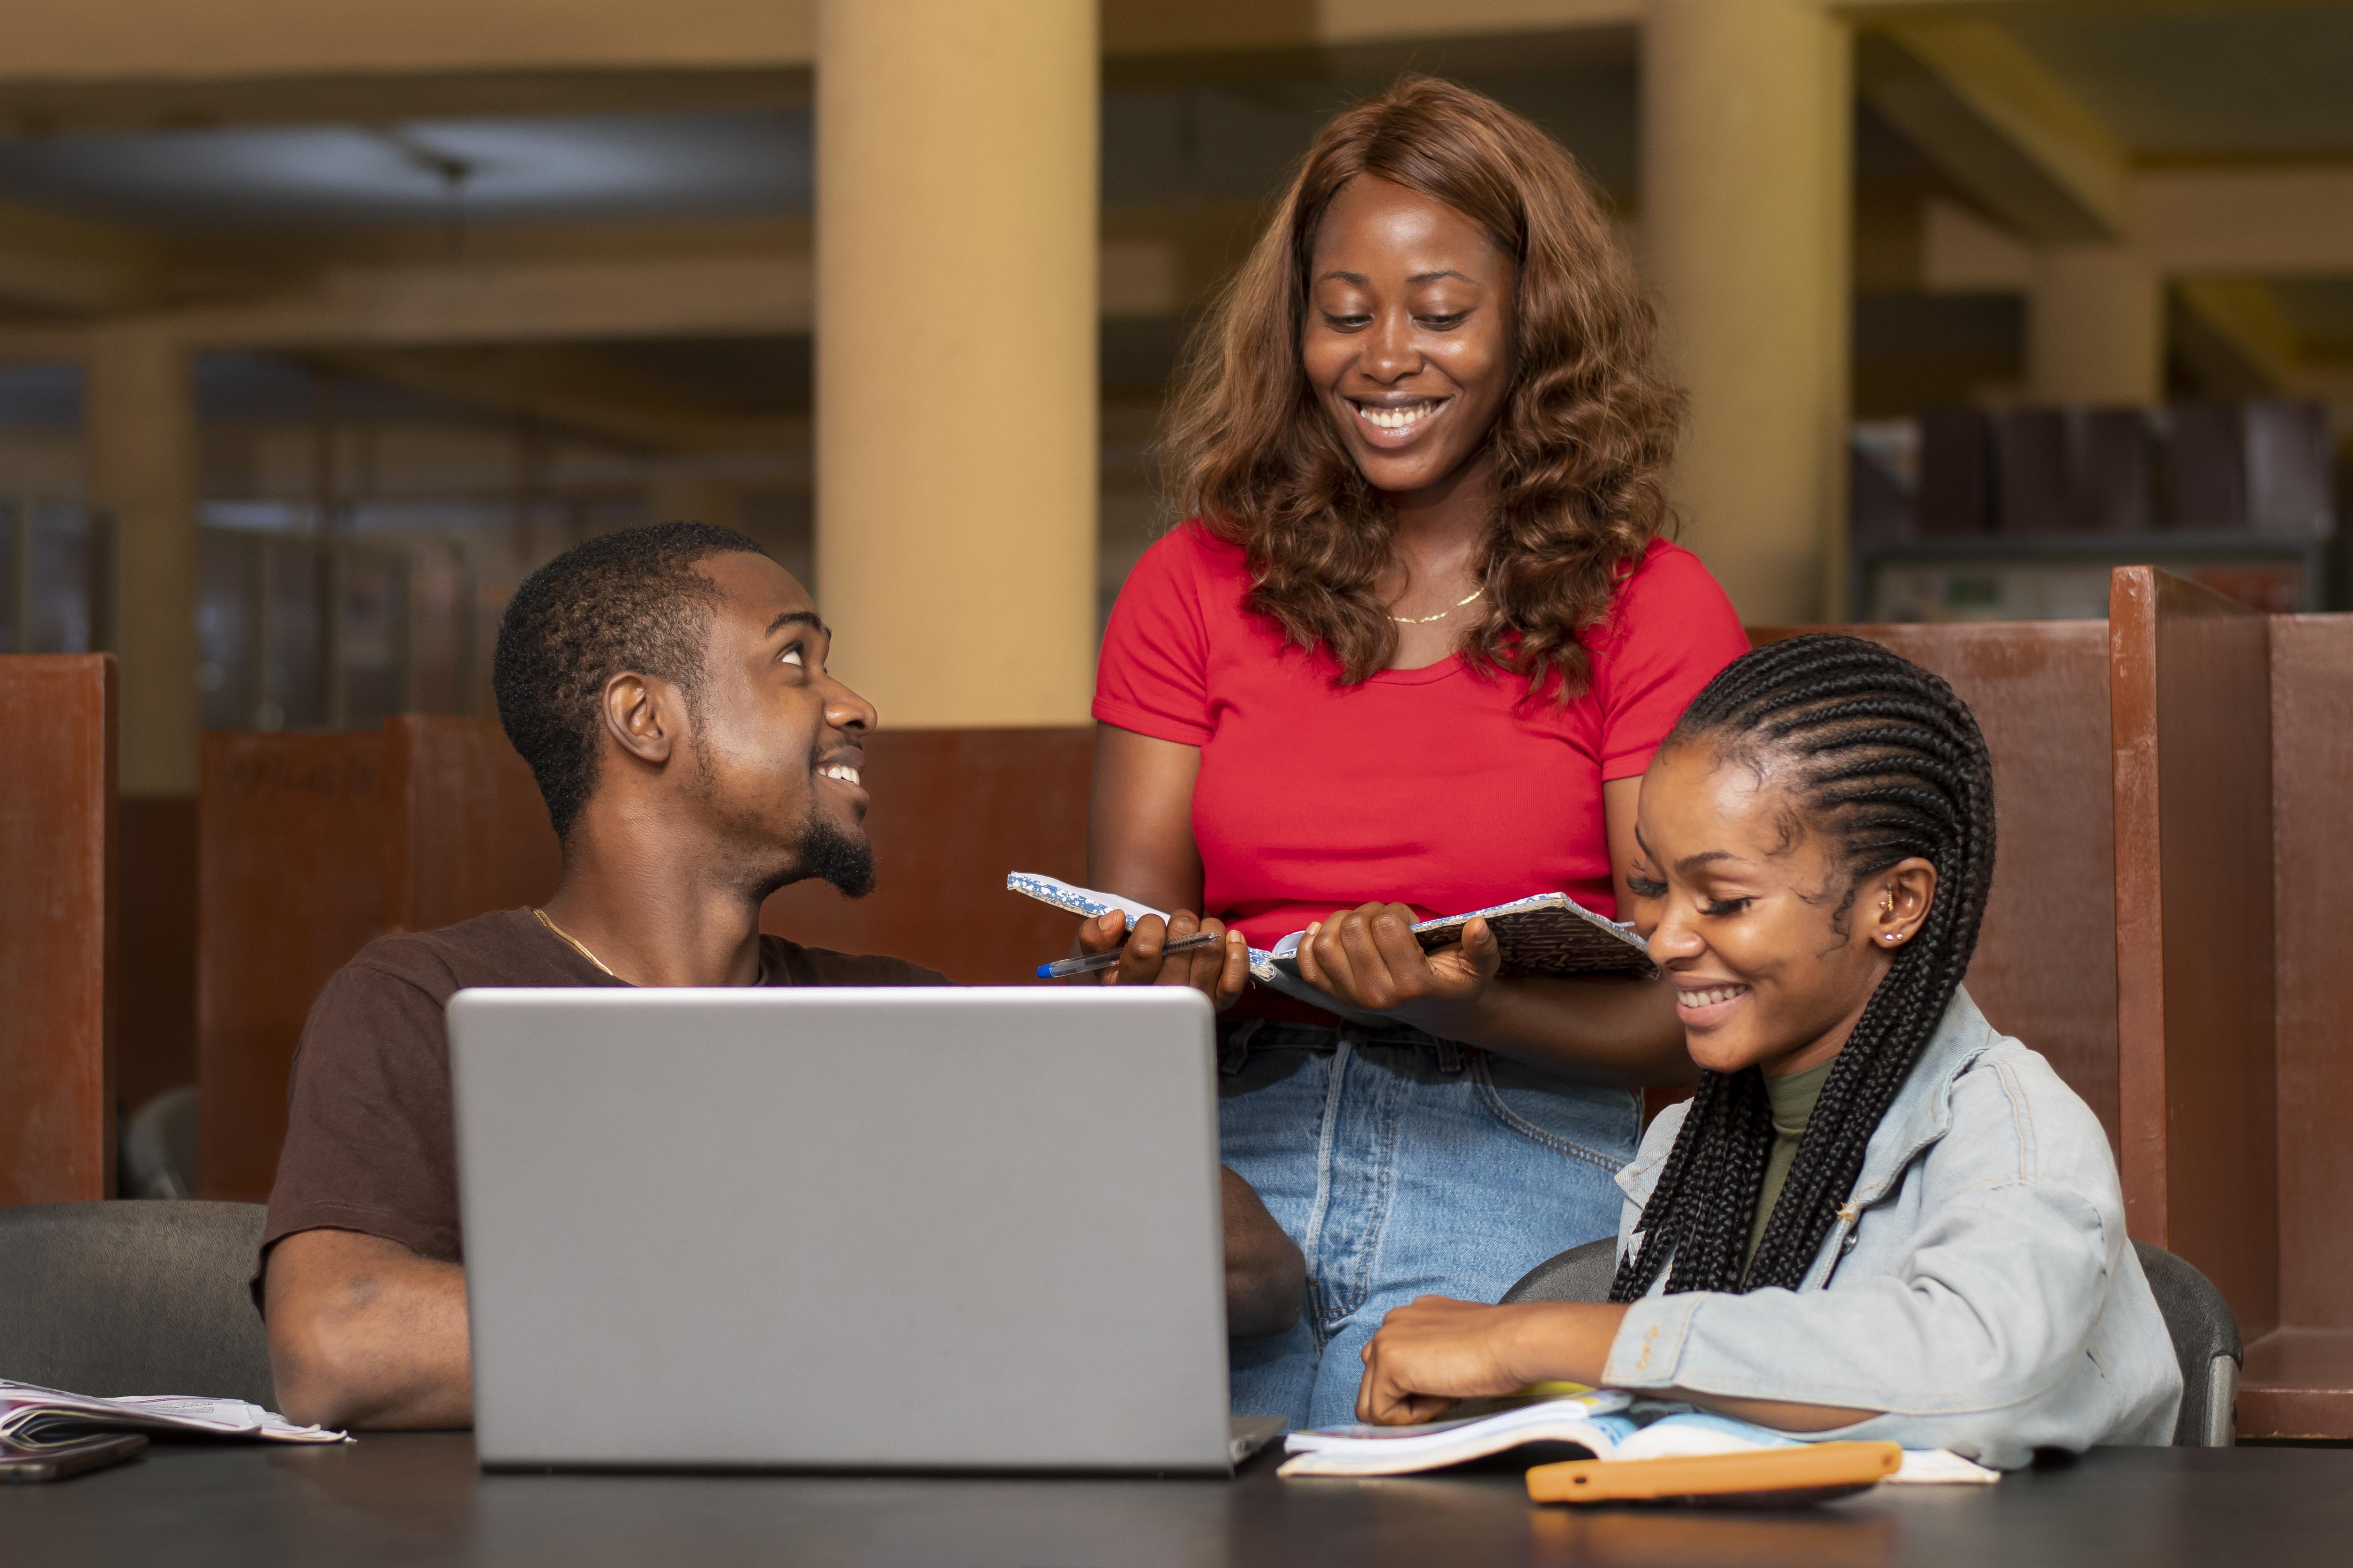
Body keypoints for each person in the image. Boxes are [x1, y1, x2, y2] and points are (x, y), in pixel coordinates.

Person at [261, 523, 1304, 1430]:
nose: (855, 705)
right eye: (794, 659)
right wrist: (862, 1306)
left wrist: (1096, 1083)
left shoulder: (897, 1013)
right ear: (644, 717)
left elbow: (1257, 1271)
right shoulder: (422, 998)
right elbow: (339, 1341)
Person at [1085, 76, 1751, 1429]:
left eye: (1441, 313)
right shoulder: (1192, 583)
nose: (1385, 356)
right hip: (1224, 1148)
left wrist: (1446, 1003)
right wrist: (1168, 974)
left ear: (1530, 328)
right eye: (1344, 314)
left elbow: (1692, 1012)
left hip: (1522, 1138)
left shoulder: (1652, 605)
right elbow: (1123, 952)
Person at [1353, 635, 2182, 1469]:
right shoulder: (1687, 1144)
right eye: (1652, 886)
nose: (1668, 939)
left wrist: (1537, 1338)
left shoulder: (2014, 1129)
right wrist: (1505, 1399)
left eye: (1725, 899)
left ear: (1893, 901)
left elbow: (1975, 1373)